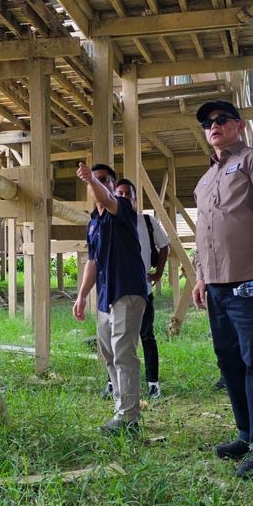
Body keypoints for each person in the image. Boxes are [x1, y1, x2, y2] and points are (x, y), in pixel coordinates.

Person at [191, 100, 253, 480]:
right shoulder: (205, 179)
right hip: (216, 285)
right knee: (229, 362)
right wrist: (200, 276)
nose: (213, 126)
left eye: (220, 120)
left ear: (238, 125)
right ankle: (247, 435)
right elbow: (204, 235)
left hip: (251, 279)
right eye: (207, 123)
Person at [72, 162, 150, 436]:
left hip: (128, 291)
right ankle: (121, 409)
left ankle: (128, 418)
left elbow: (107, 197)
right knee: (108, 353)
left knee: (123, 353)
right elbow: (92, 262)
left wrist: (93, 180)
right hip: (106, 297)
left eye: (105, 179)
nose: (99, 182)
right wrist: (82, 295)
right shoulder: (94, 222)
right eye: (97, 178)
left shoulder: (123, 208)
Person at [114, 178, 170, 399]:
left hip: (143, 289)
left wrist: (158, 273)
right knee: (117, 339)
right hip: (117, 292)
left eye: (128, 193)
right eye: (119, 193)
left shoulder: (146, 221)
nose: (124, 196)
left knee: (146, 336)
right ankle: (114, 383)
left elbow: (164, 246)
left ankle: (153, 382)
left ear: (135, 199)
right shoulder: (111, 221)